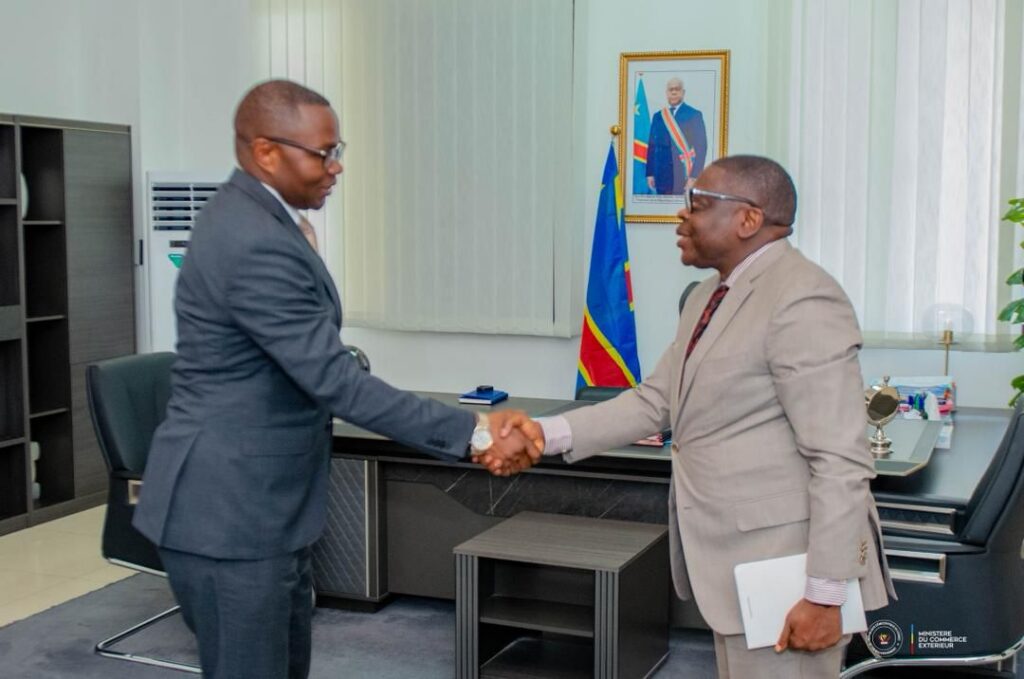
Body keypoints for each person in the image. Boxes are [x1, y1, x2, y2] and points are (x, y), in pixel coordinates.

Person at [132, 79, 539, 679]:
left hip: (263, 506)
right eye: (323, 153)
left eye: (336, 150)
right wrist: (477, 433)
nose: (336, 166)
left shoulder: (263, 221)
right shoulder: (252, 240)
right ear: (267, 152)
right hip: (230, 515)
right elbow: (335, 381)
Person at [484, 155, 895, 678]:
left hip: (788, 574)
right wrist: (545, 433)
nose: (682, 216)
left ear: (748, 219)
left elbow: (840, 459)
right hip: (736, 566)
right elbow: (656, 400)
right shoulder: (708, 295)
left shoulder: (802, 297)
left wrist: (824, 595)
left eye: (697, 204)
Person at [646, 77, 708, 195]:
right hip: (661, 175)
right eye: (671, 90)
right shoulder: (658, 116)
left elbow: (701, 148)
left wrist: (693, 177)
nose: (674, 92)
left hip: (684, 174)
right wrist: (650, 173)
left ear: (683, 92)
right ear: (666, 93)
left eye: (677, 89)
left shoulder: (694, 114)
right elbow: (652, 147)